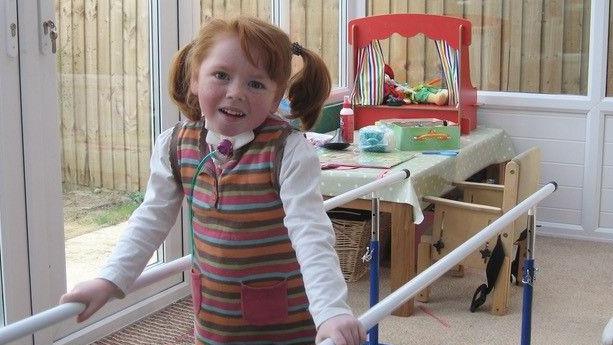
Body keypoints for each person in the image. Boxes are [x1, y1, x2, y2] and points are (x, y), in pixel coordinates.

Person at [60, 16, 366, 345]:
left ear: (277, 98)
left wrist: (332, 310)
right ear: (194, 79)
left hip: (285, 328)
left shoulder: (288, 151)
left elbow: (311, 235)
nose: (236, 93)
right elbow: (151, 218)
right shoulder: (174, 146)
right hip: (213, 323)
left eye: (256, 84)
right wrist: (109, 279)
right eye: (221, 75)